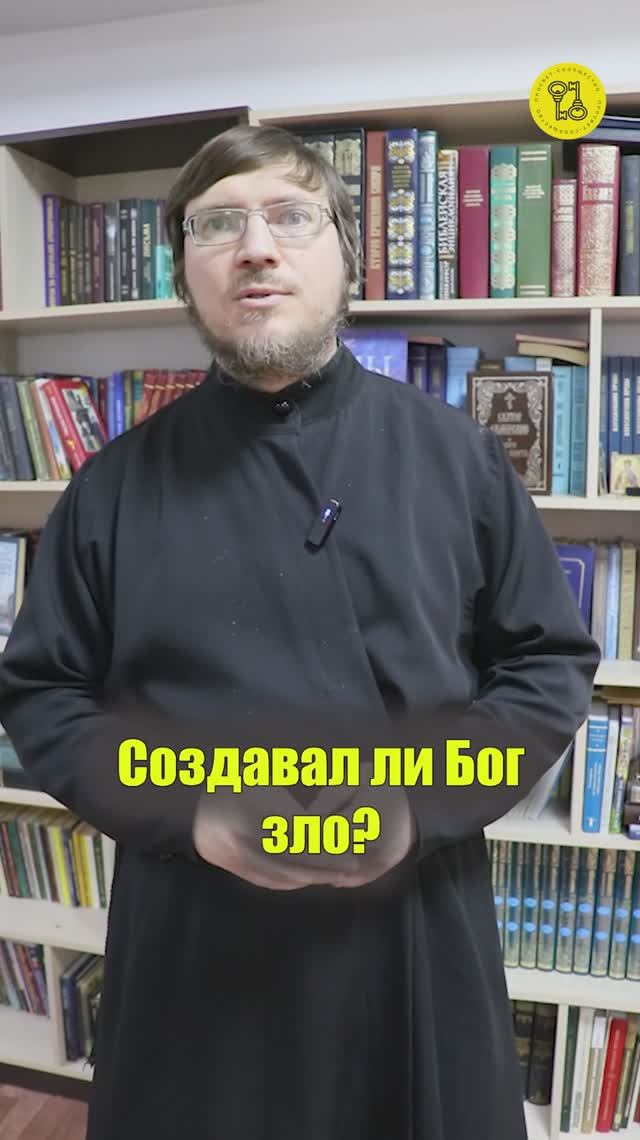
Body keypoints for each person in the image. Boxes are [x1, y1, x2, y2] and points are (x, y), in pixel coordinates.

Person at [0, 123, 600, 1140]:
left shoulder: (456, 455)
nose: (255, 247)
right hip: (194, 939)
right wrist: (192, 813)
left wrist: (417, 804)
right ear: (184, 273)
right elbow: (44, 696)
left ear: (346, 260)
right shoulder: (110, 486)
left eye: (290, 216)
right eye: (216, 225)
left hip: (413, 925)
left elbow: (546, 662)